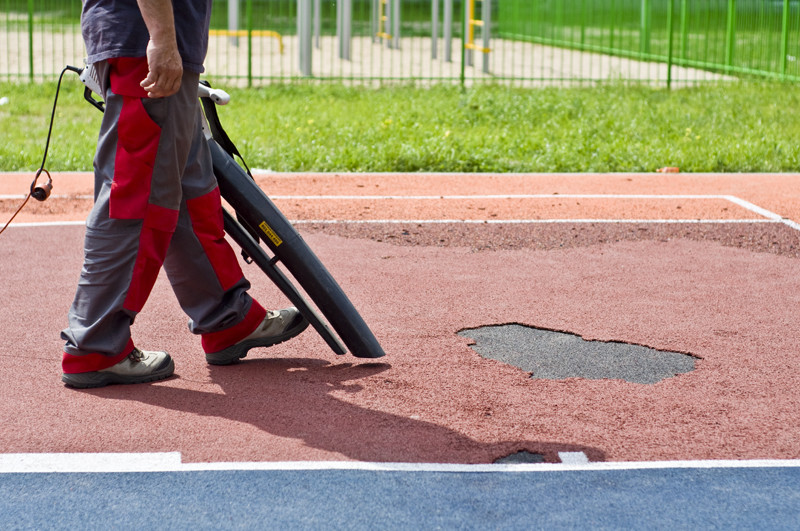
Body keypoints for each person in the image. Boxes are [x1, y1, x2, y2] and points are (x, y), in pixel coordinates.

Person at [61, 0, 308, 389]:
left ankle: (227, 317)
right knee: (137, 202)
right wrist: (161, 38)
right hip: (148, 47)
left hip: (153, 43)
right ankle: (95, 344)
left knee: (191, 194)